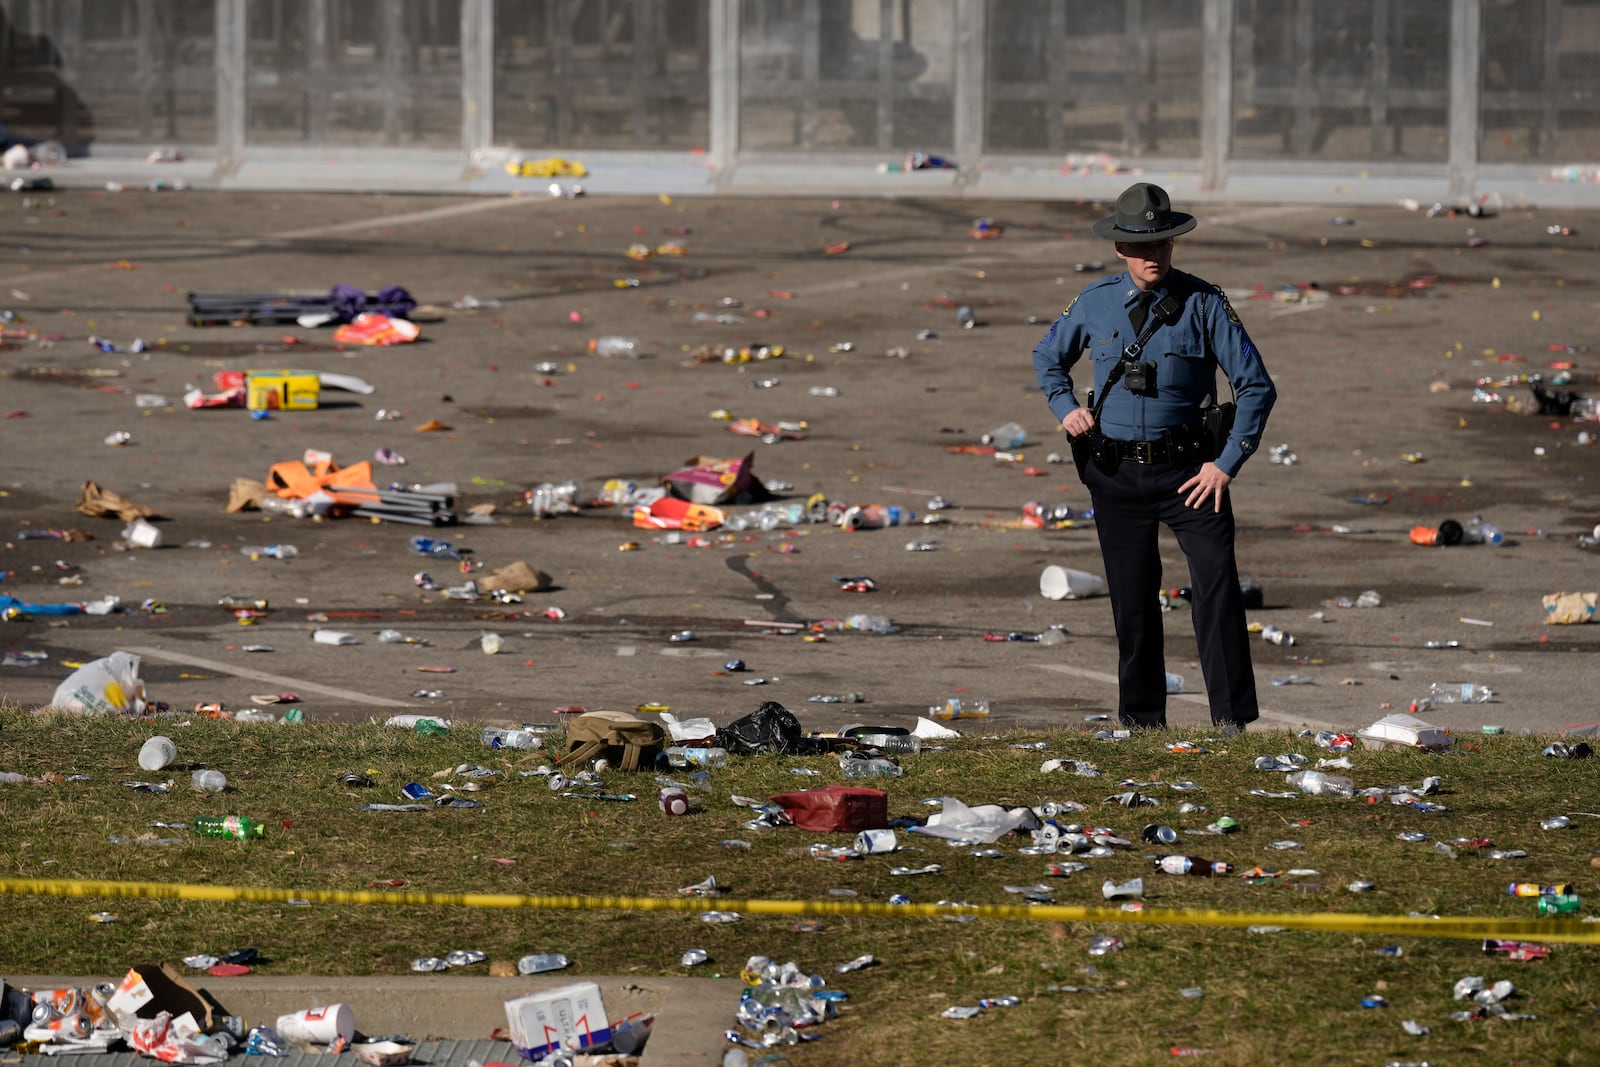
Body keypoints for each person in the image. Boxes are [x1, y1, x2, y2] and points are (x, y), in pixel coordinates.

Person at [1031, 183, 1276, 731]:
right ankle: (1142, 723)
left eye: (1162, 243)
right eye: (1141, 246)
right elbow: (1048, 357)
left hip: (1193, 475)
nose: (1152, 256)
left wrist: (1227, 464)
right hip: (1115, 475)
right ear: (1120, 248)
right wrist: (1064, 407)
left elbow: (1256, 387)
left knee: (1216, 592)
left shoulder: (1205, 303)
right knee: (1132, 603)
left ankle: (1232, 721)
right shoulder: (1094, 302)